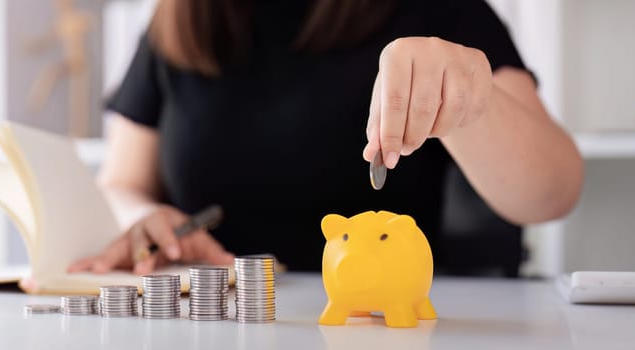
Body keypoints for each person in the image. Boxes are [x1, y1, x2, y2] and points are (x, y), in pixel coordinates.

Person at [68, 0, 583, 276]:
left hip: (380, 320)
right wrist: (141, 218)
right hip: (211, 319)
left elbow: (553, 192)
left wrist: (473, 103)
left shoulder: (441, 9)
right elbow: (119, 182)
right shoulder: (176, 18)